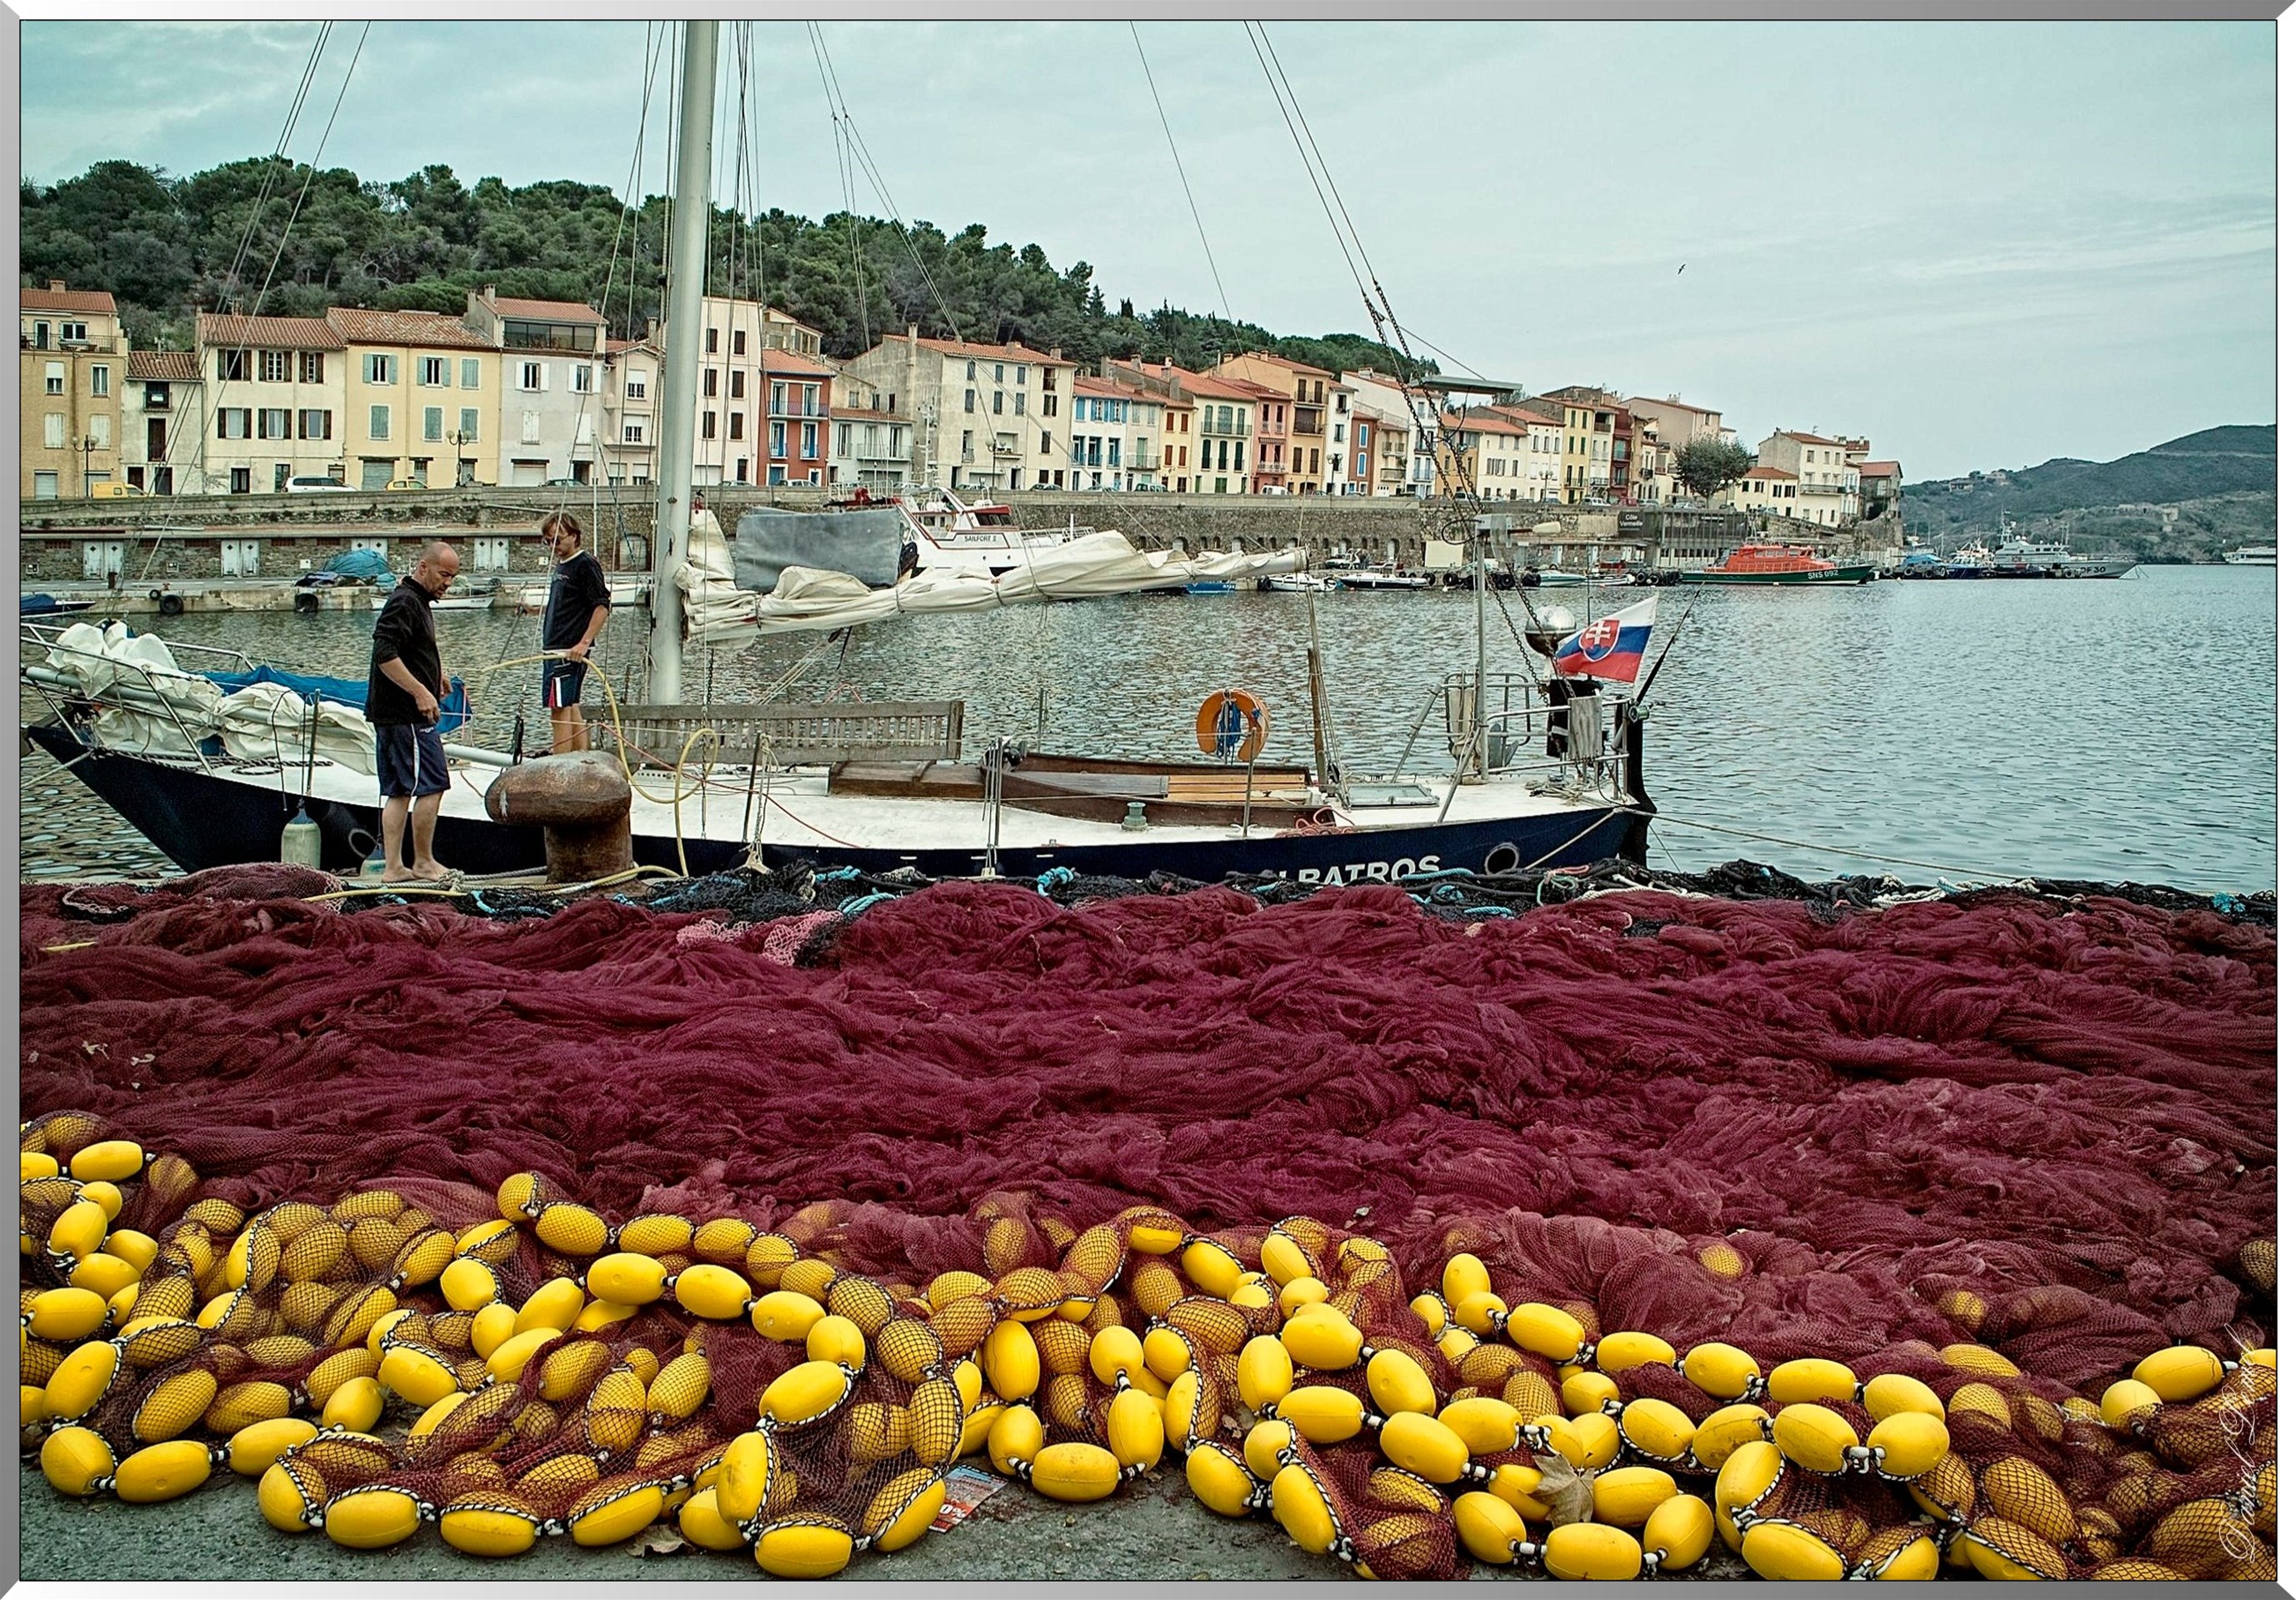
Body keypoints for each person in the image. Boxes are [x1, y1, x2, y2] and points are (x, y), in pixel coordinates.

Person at [366, 540, 459, 882]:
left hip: (390, 714)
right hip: (406, 715)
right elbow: (385, 651)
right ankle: (423, 861)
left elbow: (410, 648)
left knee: (399, 790)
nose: (448, 583)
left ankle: (393, 867)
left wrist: (436, 676)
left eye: (453, 577)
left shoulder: (414, 599)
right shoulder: (406, 601)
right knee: (432, 784)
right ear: (423, 567)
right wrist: (421, 691)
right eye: (444, 574)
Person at [540, 511, 612, 753]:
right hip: (555, 648)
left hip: (568, 650)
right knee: (570, 704)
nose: (553, 546)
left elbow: (601, 606)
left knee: (558, 706)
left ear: (574, 536)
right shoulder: (562, 566)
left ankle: (560, 765)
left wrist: (584, 643)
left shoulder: (585, 564)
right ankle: (581, 757)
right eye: (548, 541)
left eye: (557, 540)